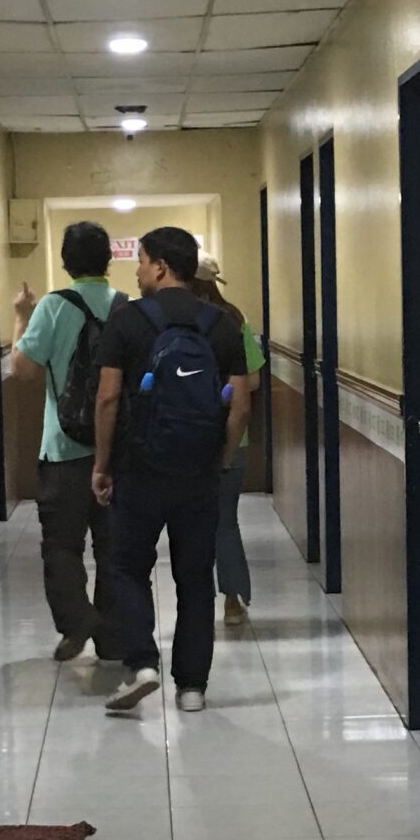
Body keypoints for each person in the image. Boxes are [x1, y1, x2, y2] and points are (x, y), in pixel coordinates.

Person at [92, 226, 251, 714]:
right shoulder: (222, 323)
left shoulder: (127, 320)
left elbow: (108, 397)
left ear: (160, 266)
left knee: (127, 567)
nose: (137, 271)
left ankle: (143, 663)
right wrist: (222, 459)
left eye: (141, 261)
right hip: (198, 473)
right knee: (195, 576)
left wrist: (102, 464)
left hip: (139, 468)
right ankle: (192, 687)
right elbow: (241, 404)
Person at [11, 220, 121, 662]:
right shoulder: (126, 307)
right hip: (116, 451)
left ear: (65, 262)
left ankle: (77, 623)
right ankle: (112, 637)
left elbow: (23, 370)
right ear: (108, 259)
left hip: (63, 450)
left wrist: (22, 316)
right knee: (114, 548)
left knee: (61, 545)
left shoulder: (53, 307)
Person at [192, 253, 263, 626]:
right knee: (225, 522)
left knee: (187, 524)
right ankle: (232, 601)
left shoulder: (176, 321)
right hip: (232, 435)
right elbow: (252, 381)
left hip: (185, 435)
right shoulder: (235, 320)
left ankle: (193, 601)